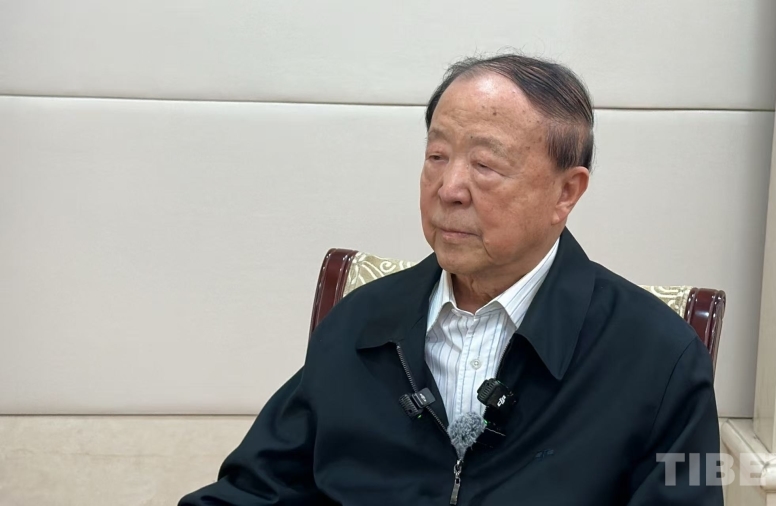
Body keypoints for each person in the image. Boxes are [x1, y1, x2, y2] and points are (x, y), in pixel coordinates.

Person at [180, 54, 723, 505]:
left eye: (485, 165)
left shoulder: (662, 358)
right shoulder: (361, 324)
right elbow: (256, 489)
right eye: (437, 156)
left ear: (566, 192)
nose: (449, 188)